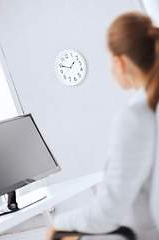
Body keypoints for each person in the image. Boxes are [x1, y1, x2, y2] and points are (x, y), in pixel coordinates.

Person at [46, 12, 159, 240]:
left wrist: (57, 224)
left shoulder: (136, 116)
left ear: (119, 62)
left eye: (109, 60)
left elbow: (106, 213)